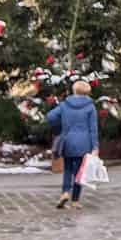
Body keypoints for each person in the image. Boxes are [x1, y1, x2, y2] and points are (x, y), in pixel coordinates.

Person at [46, 79, 99, 210]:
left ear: (74, 91)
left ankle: (65, 193)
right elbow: (93, 129)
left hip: (67, 141)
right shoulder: (90, 107)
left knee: (68, 169)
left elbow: (50, 117)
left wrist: (60, 128)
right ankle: (75, 201)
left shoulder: (64, 105)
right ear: (87, 92)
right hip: (84, 143)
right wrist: (95, 147)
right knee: (79, 173)